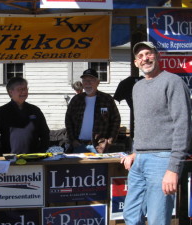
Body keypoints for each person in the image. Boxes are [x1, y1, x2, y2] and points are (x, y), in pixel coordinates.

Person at [121, 41, 191, 225]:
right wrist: (135, 151)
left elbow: (182, 125)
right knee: (130, 216)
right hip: (140, 161)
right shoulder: (137, 87)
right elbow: (142, 124)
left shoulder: (173, 82)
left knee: (157, 219)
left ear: (157, 56)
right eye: (140, 56)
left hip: (162, 160)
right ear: (136, 62)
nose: (145, 59)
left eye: (148, 54)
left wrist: (173, 169)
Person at [0, 77, 50, 156]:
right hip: (9, 161)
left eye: (25, 88)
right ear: (11, 92)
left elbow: (45, 134)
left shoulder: (35, 111)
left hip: (34, 159)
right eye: (20, 89)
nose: (24, 92)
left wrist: (41, 152)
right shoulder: (1, 112)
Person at [65, 68, 121, 153]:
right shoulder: (76, 99)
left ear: (98, 82)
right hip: (79, 146)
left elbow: (116, 120)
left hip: (100, 147)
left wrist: (110, 140)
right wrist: (72, 140)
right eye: (85, 81)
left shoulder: (106, 99)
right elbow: (68, 120)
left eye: (91, 80)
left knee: (100, 167)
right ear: (82, 83)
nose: (87, 83)